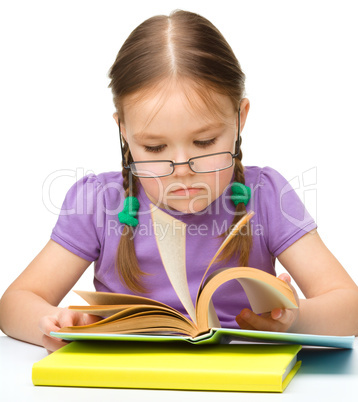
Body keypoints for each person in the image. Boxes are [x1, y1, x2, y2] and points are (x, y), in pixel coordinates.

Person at [0, 10, 357, 353]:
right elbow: (14, 303)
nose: (182, 169)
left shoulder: (266, 196)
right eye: (154, 147)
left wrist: (295, 318)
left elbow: (349, 306)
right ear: (124, 132)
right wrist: (53, 321)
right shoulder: (98, 203)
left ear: (240, 119)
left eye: (204, 142)